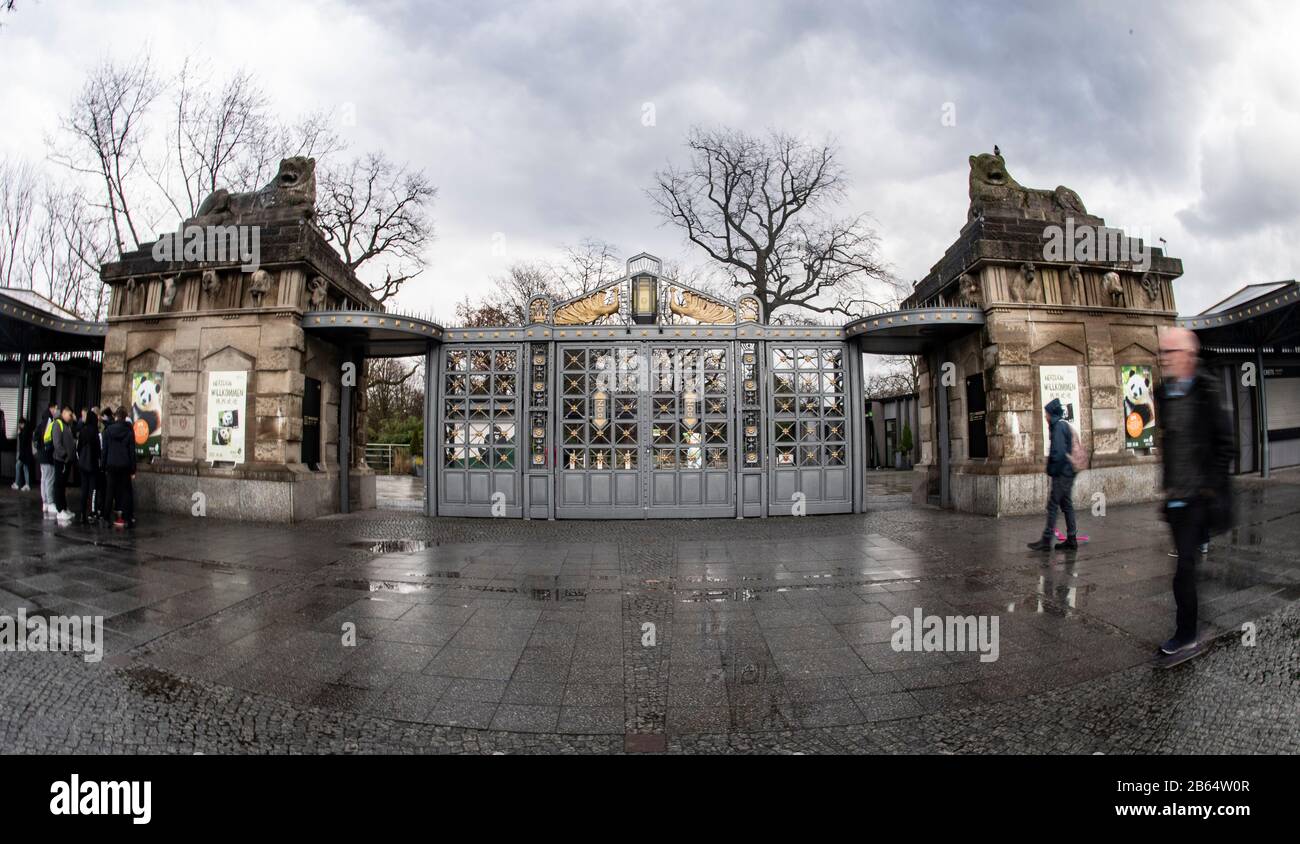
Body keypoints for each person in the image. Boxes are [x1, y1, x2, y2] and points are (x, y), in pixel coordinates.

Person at [1153, 327, 1234, 656]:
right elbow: (1168, 441)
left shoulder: (1207, 390)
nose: (1163, 360)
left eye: (1169, 353)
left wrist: (1208, 488)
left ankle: (1186, 634)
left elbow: (1225, 446)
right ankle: (1193, 621)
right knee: (1186, 566)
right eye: (1161, 354)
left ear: (1187, 356)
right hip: (1175, 498)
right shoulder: (1162, 392)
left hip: (1199, 498)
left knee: (1184, 568)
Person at [1028, 397, 1078, 551]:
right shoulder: (1062, 425)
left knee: (1053, 506)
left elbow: (1059, 453)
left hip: (1062, 473)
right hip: (1068, 472)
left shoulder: (1058, 427)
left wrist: (1052, 470)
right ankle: (1071, 539)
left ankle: (1046, 540)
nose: (1045, 416)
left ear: (1052, 414)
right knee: (1066, 505)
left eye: (1046, 413)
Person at [103, 406, 136, 529]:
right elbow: (132, 452)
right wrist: (133, 469)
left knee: (109, 492)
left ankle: (106, 518)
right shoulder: (129, 431)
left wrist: (103, 466)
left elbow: (104, 451)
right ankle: (127, 518)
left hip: (111, 465)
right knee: (126, 493)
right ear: (125, 417)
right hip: (124, 465)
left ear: (116, 417)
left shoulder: (108, 430)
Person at [50, 405, 77, 524]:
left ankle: (64, 508)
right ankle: (60, 510)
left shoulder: (67, 425)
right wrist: (65, 455)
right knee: (59, 485)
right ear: (65, 413)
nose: (71, 417)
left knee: (63, 485)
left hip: (67, 461)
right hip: (61, 460)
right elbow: (57, 443)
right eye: (70, 415)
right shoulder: (58, 424)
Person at [76, 408, 101, 525]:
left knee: (84, 489)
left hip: (82, 464)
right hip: (93, 464)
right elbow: (98, 451)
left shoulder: (82, 431)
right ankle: (92, 512)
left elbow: (78, 448)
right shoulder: (95, 432)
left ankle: (82, 513)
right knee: (93, 489)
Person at [37, 402, 58, 516]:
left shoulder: (41, 421)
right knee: (49, 479)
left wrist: (39, 449)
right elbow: (49, 439)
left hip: (42, 456)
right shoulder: (50, 421)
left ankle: (44, 502)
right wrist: (48, 448)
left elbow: (36, 437)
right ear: (51, 408)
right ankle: (50, 503)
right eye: (56, 408)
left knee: (44, 480)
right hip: (48, 456)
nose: (57, 410)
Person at [13, 416, 35, 491]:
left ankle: (17, 483)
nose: (19, 426)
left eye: (20, 424)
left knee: (18, 466)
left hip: (24, 454)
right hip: (27, 453)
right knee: (25, 468)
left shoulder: (24, 431)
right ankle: (26, 484)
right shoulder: (28, 430)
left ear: (22, 424)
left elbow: (22, 443)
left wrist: (19, 434)